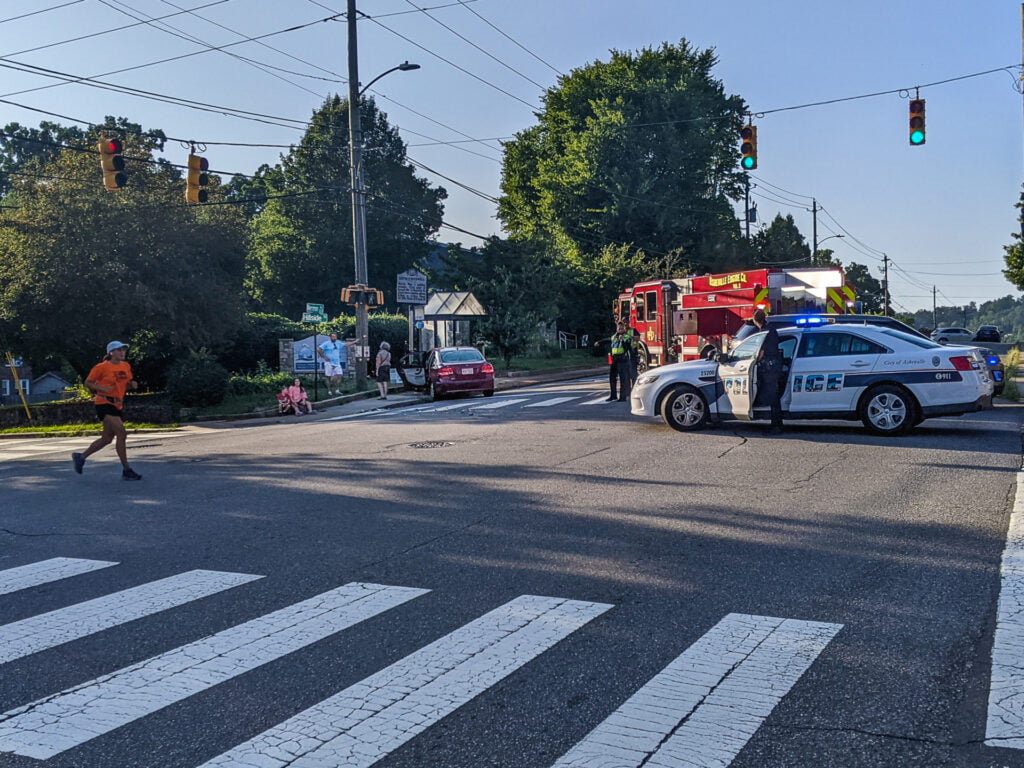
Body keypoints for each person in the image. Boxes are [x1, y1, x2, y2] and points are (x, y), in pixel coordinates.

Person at [71, 341, 142, 481]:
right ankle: (127, 470)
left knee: (107, 439)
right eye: (119, 350)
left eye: (123, 350)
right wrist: (103, 389)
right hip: (104, 403)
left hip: (117, 405)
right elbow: (88, 383)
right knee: (121, 433)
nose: (122, 352)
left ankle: (81, 457)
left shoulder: (126, 366)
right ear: (111, 352)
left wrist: (131, 385)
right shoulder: (101, 367)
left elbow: (123, 386)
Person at [752, 309, 784, 434]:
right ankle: (776, 424)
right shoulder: (771, 329)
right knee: (774, 396)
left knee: (773, 397)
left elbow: (761, 352)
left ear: (755, 320)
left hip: (769, 368)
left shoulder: (764, 332)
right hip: (775, 365)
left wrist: (754, 361)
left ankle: (776, 426)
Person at [606, 321, 632, 402]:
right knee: (612, 378)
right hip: (614, 359)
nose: (620, 330)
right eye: (619, 328)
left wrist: (622, 341)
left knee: (623, 378)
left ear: (624, 329)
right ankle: (613, 395)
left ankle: (623, 397)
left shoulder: (627, 337)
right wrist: (598, 342)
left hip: (622, 359)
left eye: (621, 328)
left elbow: (626, 348)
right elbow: (608, 341)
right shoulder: (614, 336)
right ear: (617, 329)